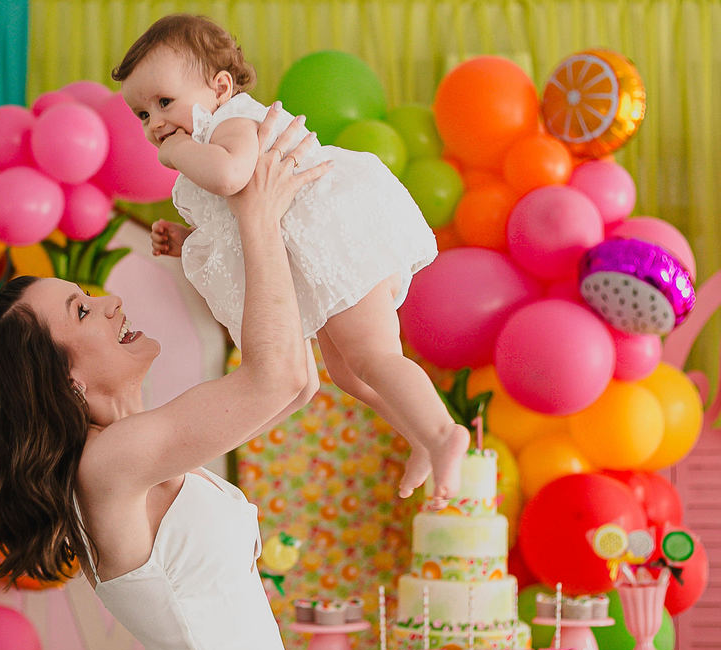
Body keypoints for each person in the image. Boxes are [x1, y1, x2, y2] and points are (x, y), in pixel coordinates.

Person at [0, 107, 325, 650]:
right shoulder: (110, 465)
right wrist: (252, 215)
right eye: (82, 311)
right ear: (66, 380)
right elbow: (281, 377)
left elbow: (296, 383)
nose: (112, 304)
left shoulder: (144, 454)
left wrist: (230, 250)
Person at [114, 13, 470, 503]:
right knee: (347, 372)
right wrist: (188, 239)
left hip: (336, 239)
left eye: (164, 102)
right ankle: (420, 433)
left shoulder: (231, 122)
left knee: (372, 356)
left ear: (219, 86)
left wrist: (174, 155)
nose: (156, 123)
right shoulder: (210, 140)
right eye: (143, 115)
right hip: (317, 252)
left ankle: (443, 432)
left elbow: (233, 178)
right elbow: (238, 219)